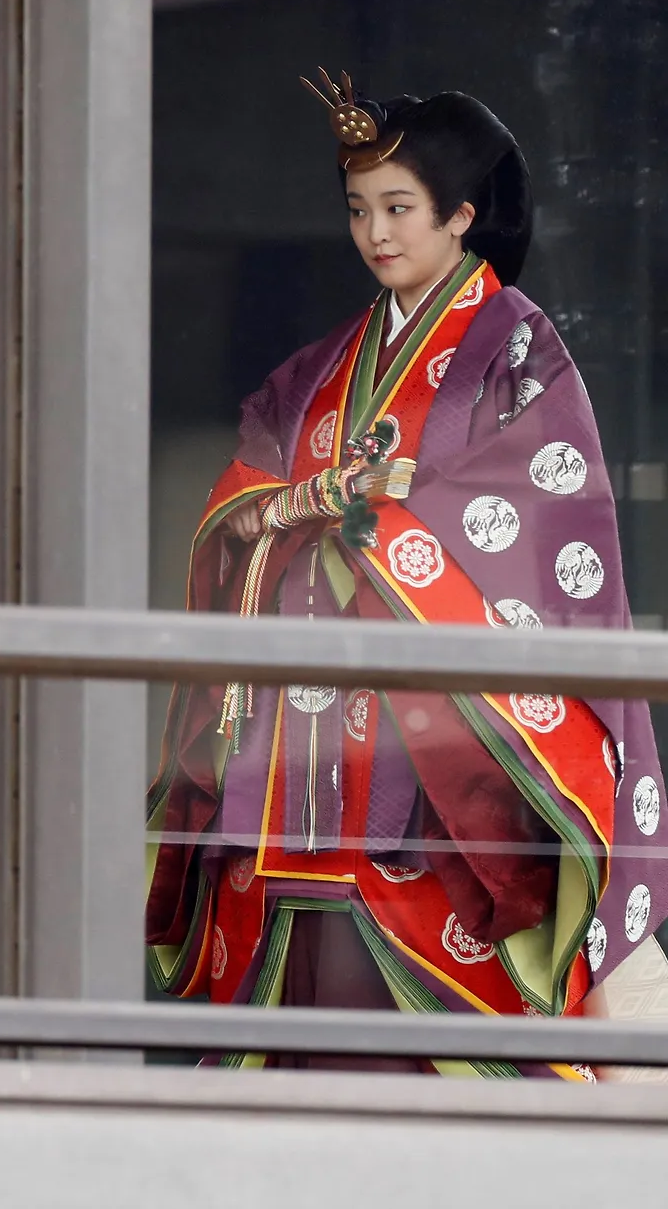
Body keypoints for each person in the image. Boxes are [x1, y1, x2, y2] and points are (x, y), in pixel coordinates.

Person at [145, 71, 668, 1078]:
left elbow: (534, 510)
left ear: (459, 216)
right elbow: (240, 491)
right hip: (297, 757)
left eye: (397, 209)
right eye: (357, 211)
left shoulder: (515, 344)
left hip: (431, 768)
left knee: (440, 1058)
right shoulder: (319, 368)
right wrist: (289, 508)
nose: (374, 234)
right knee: (289, 1038)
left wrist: (367, 529)